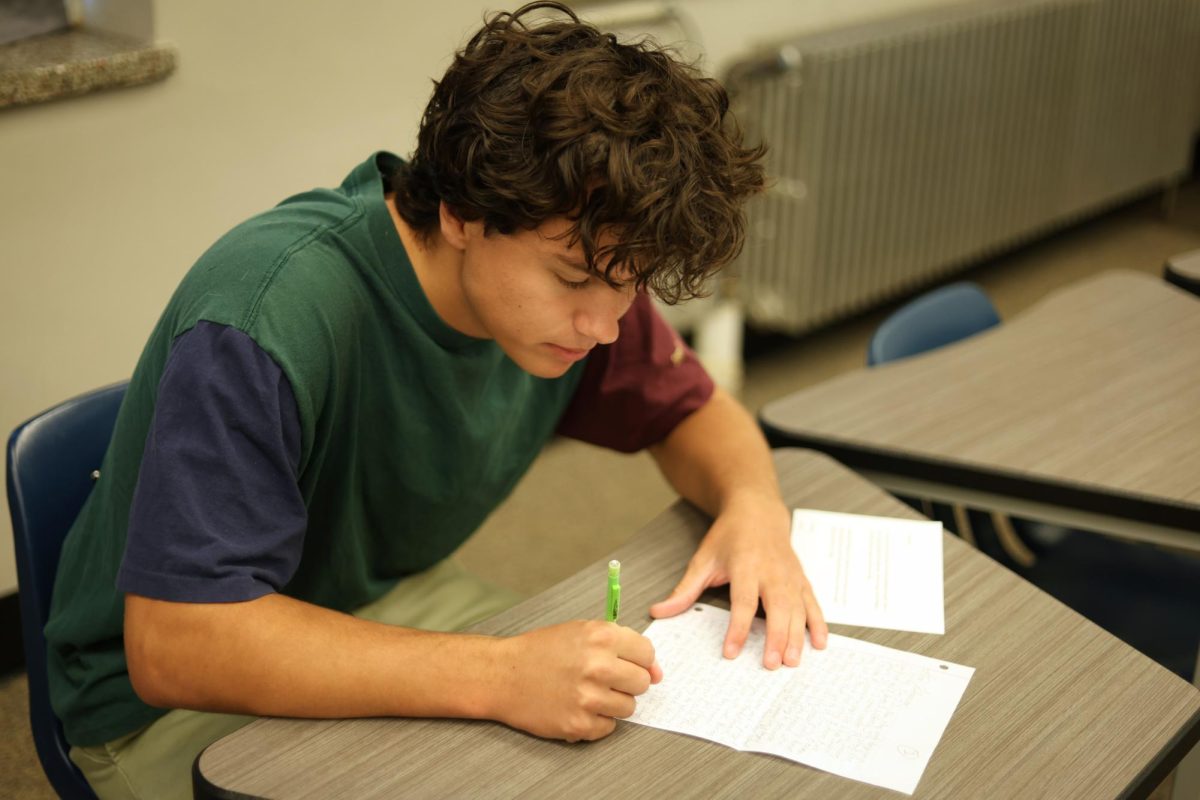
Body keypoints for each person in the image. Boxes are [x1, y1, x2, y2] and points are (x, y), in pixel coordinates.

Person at [44, 3, 828, 797]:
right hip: (166, 703)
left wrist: (755, 509)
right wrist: (496, 675)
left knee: (621, 751)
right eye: (575, 281)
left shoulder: (585, 272)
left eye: (630, 286)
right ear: (460, 211)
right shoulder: (267, 314)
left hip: (381, 600)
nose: (603, 325)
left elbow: (692, 410)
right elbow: (178, 644)